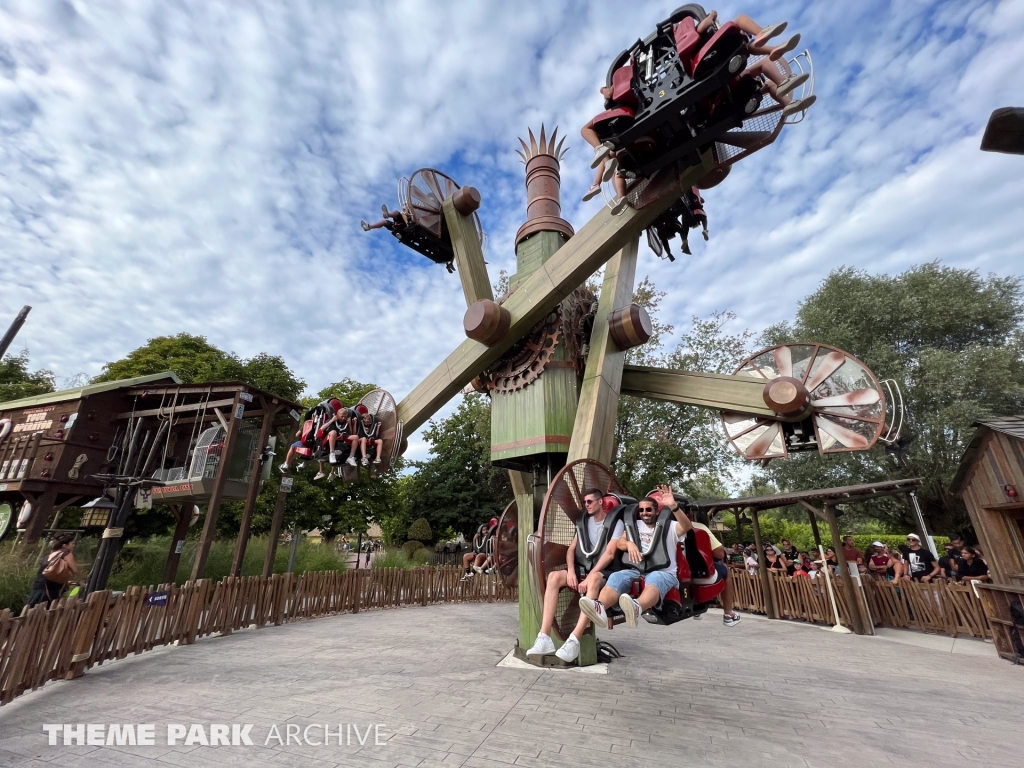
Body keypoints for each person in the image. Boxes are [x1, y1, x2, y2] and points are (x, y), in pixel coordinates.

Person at [526, 488, 625, 662]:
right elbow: (572, 549)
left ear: (600, 502)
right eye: (584, 502)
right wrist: (571, 570)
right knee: (555, 577)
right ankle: (544, 637)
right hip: (583, 567)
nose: (586, 505)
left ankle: (574, 640)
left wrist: (588, 577)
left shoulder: (616, 524)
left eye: (589, 502)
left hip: (604, 570)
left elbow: (609, 554)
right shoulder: (583, 522)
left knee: (593, 579)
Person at [578, 485, 692, 629]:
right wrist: (630, 544)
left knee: (655, 577)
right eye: (642, 510)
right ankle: (600, 609)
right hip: (637, 570)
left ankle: (636, 608)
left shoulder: (670, 526)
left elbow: (686, 526)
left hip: (664, 573)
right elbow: (620, 543)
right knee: (616, 577)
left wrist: (673, 506)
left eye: (649, 510)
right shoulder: (635, 526)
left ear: (657, 511)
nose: (645, 513)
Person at [27, 534, 78, 607]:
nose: (74, 545)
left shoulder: (51, 554)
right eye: (72, 543)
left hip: (40, 583)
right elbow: (75, 570)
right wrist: (81, 582)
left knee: (34, 607)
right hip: (52, 586)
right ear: (64, 545)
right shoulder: (67, 554)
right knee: (47, 607)